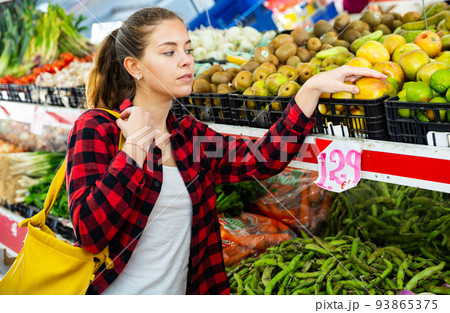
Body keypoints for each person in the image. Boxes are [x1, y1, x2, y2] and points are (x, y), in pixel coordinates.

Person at [66, 7, 387, 295]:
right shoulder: (98, 129)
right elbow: (89, 232)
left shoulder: (186, 134)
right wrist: (135, 146)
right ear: (134, 66)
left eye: (188, 49)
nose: (186, 60)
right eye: (168, 52)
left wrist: (310, 90)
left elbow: (261, 159)